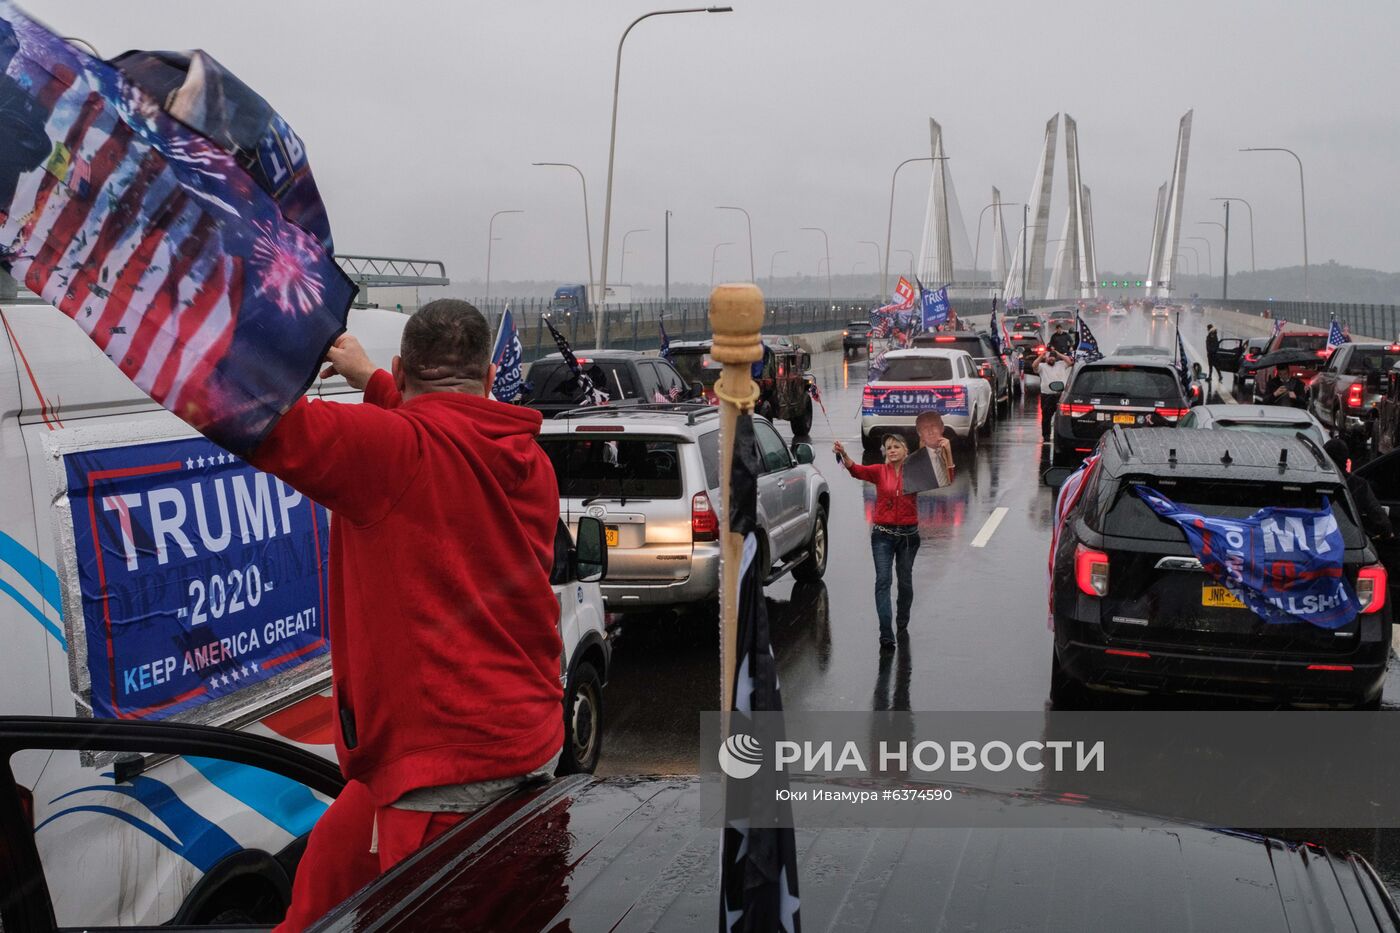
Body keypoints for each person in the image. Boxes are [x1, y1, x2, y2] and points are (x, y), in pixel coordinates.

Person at [256, 300, 564, 931]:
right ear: (486, 378)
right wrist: (371, 380)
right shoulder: (526, 459)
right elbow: (440, 432)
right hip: (529, 742)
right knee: (325, 874)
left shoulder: (392, 454)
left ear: (404, 365)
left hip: (441, 784)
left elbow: (260, 419)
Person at [833, 435, 919, 651]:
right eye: (888, 447)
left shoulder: (915, 473)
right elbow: (857, 470)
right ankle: (886, 634)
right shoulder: (880, 472)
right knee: (883, 581)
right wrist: (843, 454)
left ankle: (902, 620)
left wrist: (945, 451)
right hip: (882, 536)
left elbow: (944, 476)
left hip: (909, 536)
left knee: (905, 584)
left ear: (906, 450)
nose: (891, 450)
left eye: (896, 446)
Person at [1324, 438, 1395, 542]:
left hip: (1318, 542)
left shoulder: (1317, 481)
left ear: (1324, 458)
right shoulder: (1359, 485)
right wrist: (1387, 533)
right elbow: (1379, 518)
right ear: (1346, 460)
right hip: (1351, 542)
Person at [1032, 347, 1074, 443]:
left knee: (1063, 417)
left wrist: (1058, 353)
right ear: (1046, 359)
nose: (1051, 359)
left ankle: (1063, 435)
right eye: (1049, 357)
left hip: (1061, 396)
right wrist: (1041, 356)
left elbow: (1070, 361)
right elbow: (1034, 365)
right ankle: (1046, 436)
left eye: (1053, 357)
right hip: (1047, 395)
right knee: (1046, 417)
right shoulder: (1042, 366)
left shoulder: (1061, 364)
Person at [914, 411, 955, 484]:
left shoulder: (957, 453)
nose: (930, 432)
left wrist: (948, 454)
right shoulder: (915, 459)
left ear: (942, 428)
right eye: (925, 428)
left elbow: (951, 483)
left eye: (933, 426)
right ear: (919, 433)